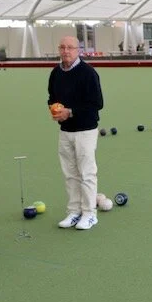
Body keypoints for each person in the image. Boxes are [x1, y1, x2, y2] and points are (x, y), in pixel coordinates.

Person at [47, 36, 104, 230]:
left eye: (70, 47)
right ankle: (74, 211)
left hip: (86, 130)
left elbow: (97, 103)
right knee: (70, 173)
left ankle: (89, 213)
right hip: (65, 131)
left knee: (87, 172)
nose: (65, 51)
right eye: (62, 47)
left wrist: (70, 111)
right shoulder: (55, 73)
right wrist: (54, 111)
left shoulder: (88, 73)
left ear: (78, 50)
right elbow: (51, 98)